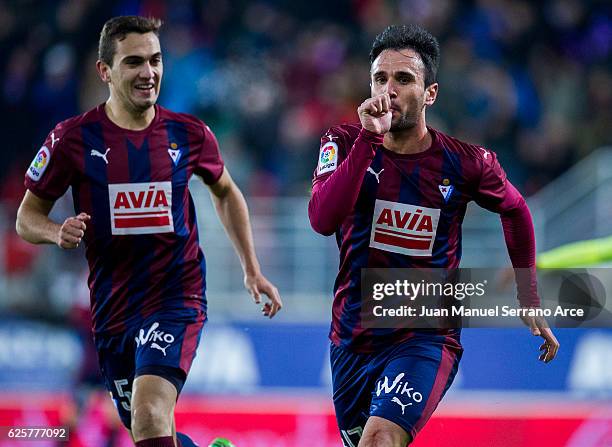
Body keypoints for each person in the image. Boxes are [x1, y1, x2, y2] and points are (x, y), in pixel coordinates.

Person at [16, 16, 281, 447]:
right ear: (105, 71)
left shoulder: (188, 133)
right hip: (113, 310)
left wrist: (251, 268)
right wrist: (55, 230)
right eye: (134, 62)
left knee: (149, 411)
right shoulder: (71, 139)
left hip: (176, 296)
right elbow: (26, 217)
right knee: (150, 430)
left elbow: (228, 193)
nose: (149, 73)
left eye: (156, 60)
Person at [308, 24, 559, 447]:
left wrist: (528, 295)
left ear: (430, 94)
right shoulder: (344, 140)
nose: (389, 90)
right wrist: (370, 139)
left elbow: (515, 210)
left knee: (380, 440)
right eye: (380, 79)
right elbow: (322, 218)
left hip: (425, 334)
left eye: (404, 79)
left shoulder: (466, 163)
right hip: (352, 335)